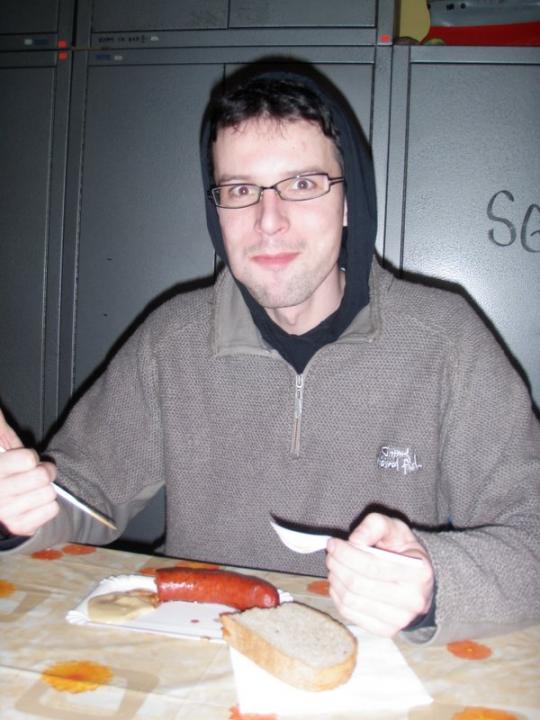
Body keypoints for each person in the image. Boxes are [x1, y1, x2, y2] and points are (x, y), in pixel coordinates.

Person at [0, 68, 539, 646]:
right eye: (240, 191)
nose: (269, 220)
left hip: (379, 669)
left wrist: (435, 583)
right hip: (202, 656)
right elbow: (80, 490)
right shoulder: (172, 339)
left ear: (350, 201)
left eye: (302, 184)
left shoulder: (446, 340)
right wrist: (16, 509)